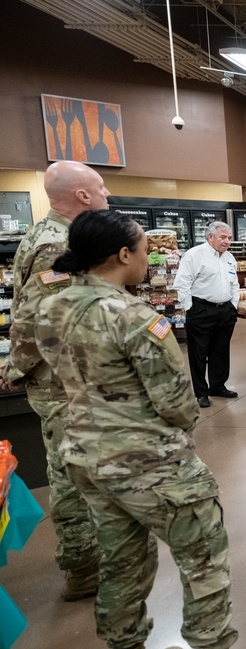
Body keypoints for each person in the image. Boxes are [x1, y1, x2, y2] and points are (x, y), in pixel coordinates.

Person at [35, 209, 246, 649]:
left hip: (84, 456)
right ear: (124, 254)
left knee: (121, 559)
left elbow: (43, 372)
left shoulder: (50, 305)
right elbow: (178, 405)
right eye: (143, 249)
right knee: (202, 555)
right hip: (150, 463)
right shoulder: (132, 317)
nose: (148, 257)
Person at [0, 160, 103, 601]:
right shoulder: (56, 244)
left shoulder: (49, 235)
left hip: (66, 377)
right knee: (72, 472)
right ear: (81, 195)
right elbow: (41, 318)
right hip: (63, 381)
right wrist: (17, 369)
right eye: (100, 189)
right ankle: (82, 567)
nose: (106, 196)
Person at [173, 221, 240, 408]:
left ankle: (218, 386)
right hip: (201, 310)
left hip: (225, 310)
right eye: (223, 237)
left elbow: (234, 283)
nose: (227, 241)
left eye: (229, 238)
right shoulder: (194, 255)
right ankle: (201, 392)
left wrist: (233, 305)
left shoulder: (229, 257)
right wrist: (190, 308)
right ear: (210, 237)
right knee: (199, 352)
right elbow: (182, 283)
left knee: (220, 351)